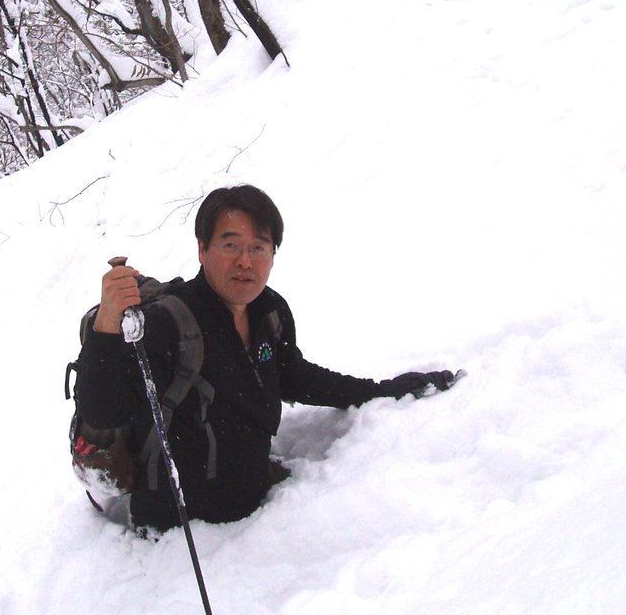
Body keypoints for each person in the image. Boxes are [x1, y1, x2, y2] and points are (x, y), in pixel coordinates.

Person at [72, 184, 457, 532]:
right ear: (202, 250)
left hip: (254, 517)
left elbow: (294, 375)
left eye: (259, 247)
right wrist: (106, 330)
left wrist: (382, 392)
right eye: (230, 245)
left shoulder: (269, 312)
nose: (246, 261)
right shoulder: (168, 324)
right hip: (185, 539)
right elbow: (105, 412)